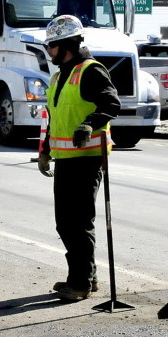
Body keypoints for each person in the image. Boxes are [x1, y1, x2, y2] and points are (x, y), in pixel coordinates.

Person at [38, 15, 120, 301]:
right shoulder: (61, 75)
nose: (48, 51)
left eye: (51, 46)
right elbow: (55, 117)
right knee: (66, 222)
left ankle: (81, 283)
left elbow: (111, 103)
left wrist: (90, 124)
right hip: (66, 158)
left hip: (87, 158)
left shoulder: (90, 70)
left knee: (77, 221)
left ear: (65, 45)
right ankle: (87, 277)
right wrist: (45, 150)